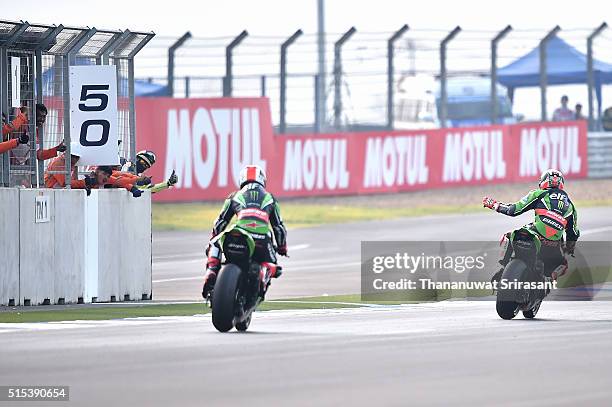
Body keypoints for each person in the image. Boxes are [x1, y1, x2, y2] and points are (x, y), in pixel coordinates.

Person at [202, 165, 288, 298]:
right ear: (262, 180)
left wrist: (213, 238)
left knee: (214, 244)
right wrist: (282, 247)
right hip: (262, 238)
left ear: (242, 179)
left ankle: (212, 270)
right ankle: (265, 271)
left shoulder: (234, 196)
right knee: (274, 265)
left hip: (239, 234)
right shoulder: (270, 198)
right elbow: (279, 228)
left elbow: (220, 222)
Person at [483, 169, 580, 283]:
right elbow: (573, 234)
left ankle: (503, 270)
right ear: (561, 184)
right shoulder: (571, 207)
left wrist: (494, 205)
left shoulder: (539, 194)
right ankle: (548, 281)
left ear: (543, 182)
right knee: (563, 265)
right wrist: (569, 249)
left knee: (509, 236)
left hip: (536, 235)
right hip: (553, 245)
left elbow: (512, 210)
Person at [111, 150, 178, 193]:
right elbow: (122, 177)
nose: (144, 166)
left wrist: (167, 184)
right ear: (136, 158)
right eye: (142, 162)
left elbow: (148, 190)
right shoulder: (122, 162)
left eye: (146, 165)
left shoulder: (140, 180)